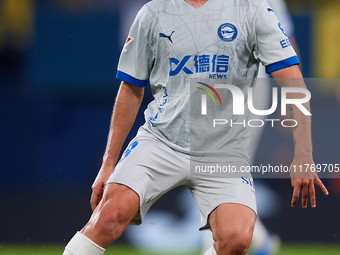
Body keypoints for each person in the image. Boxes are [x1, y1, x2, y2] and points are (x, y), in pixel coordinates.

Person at [63, 0, 328, 254]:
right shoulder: (152, 13)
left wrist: (303, 154)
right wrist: (108, 162)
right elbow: (131, 88)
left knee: (236, 239)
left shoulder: (254, 9)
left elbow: (293, 82)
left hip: (224, 149)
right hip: (161, 141)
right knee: (109, 217)